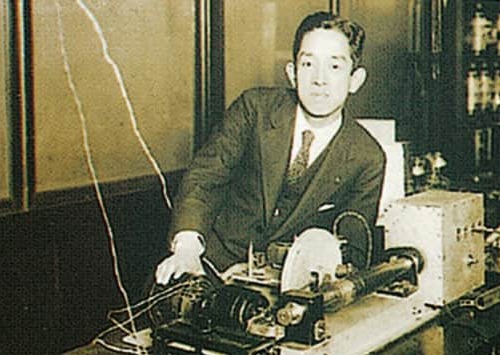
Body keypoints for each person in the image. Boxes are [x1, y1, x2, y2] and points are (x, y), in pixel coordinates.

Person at [155, 11, 386, 285]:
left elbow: (353, 250)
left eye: (334, 66)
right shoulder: (255, 108)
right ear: (292, 73)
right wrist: (187, 250)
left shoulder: (368, 157)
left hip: (292, 287)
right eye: (308, 64)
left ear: (355, 80)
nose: (319, 79)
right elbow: (205, 177)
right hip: (209, 267)